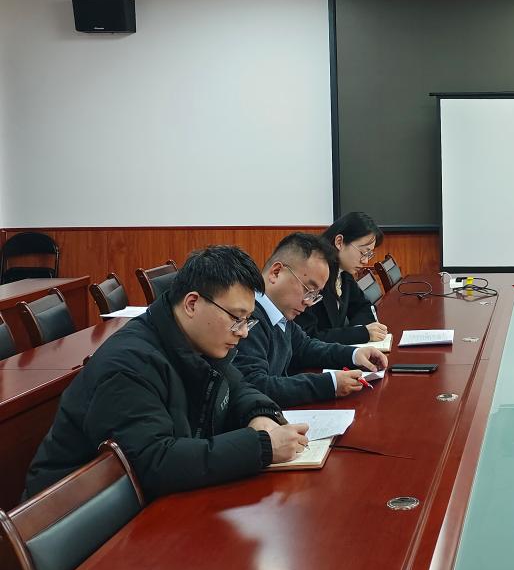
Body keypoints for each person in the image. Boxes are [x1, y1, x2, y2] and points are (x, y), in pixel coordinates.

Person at [24, 246, 310, 501]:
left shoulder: (198, 340)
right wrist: (261, 447)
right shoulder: (129, 365)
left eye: (248, 320)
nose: (244, 332)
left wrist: (259, 416)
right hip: (69, 520)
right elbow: (154, 462)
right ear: (192, 303)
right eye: (237, 318)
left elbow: (236, 386)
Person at [233, 232, 388, 408]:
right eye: (308, 289)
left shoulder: (281, 315)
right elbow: (256, 386)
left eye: (315, 295)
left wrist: (353, 355)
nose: (308, 302)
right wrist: (329, 384)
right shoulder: (247, 320)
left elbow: (305, 347)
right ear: (276, 272)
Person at [297, 211, 389, 345]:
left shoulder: (344, 273)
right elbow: (307, 337)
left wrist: (359, 331)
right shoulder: (311, 276)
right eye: (363, 252)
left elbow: (363, 307)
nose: (365, 261)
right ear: (339, 242)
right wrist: (359, 334)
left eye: (369, 255)